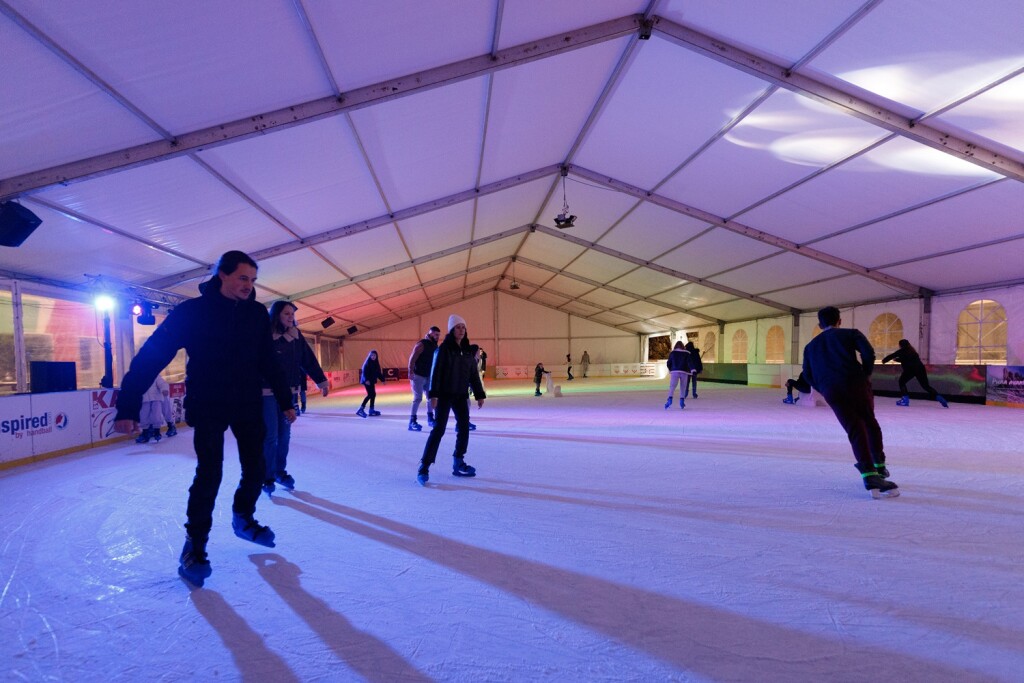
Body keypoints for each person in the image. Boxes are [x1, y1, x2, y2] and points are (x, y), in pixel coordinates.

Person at [114, 250, 296, 587]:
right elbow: (152, 355)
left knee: (257, 467)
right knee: (209, 474)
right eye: (243, 277)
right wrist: (127, 405)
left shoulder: (256, 314)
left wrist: (286, 400)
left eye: (253, 280)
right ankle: (194, 547)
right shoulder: (192, 312)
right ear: (221, 275)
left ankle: (243, 517)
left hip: (246, 402)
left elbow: (269, 361)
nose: (249, 285)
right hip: (209, 402)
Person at [802, 306, 899, 498]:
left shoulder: (810, 347)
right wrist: (866, 374)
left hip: (831, 390)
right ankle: (879, 467)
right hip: (855, 383)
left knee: (854, 429)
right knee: (869, 423)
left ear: (819, 325)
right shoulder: (850, 334)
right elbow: (869, 353)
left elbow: (807, 374)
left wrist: (824, 387)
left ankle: (869, 474)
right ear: (839, 321)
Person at [261, 300, 329, 496]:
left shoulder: (296, 336)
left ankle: (279, 471)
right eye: (286, 313)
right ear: (276, 315)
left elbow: (308, 360)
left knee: (284, 436)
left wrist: (321, 381)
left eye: (292, 314)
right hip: (266, 393)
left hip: (289, 392)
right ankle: (266, 476)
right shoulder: (265, 335)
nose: (291, 317)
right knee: (271, 437)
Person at [416, 314, 486, 486]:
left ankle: (458, 461)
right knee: (438, 429)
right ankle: (424, 466)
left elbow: (473, 374)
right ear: (451, 330)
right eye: (458, 327)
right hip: (445, 395)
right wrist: (434, 395)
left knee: (464, 427)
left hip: (461, 395)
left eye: (463, 327)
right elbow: (436, 373)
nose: (461, 330)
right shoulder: (443, 350)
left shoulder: (468, 351)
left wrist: (479, 394)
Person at [882, 339, 949, 408]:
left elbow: (892, 356)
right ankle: (940, 398)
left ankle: (905, 400)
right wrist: (897, 360)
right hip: (920, 369)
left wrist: (884, 360)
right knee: (925, 386)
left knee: (901, 382)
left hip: (910, 369)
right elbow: (907, 359)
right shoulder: (912, 351)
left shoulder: (901, 351)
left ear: (900, 345)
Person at [408, 326, 441, 431]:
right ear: (430, 333)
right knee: (417, 398)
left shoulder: (435, 346)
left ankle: (430, 418)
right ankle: (412, 421)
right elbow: (412, 358)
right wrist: (410, 371)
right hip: (418, 375)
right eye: (436, 334)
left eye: (439, 335)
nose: (437, 337)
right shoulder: (422, 344)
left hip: (429, 376)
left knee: (431, 397)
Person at [135, 375, 170, 443]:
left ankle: (157, 431)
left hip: (156, 398)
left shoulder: (154, 375)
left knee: (156, 415)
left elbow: (162, 383)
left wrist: (164, 389)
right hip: (144, 399)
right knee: (143, 416)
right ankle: (145, 433)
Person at [664, 341, 693, 409]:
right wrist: (692, 369)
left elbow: (668, 363)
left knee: (672, 386)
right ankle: (682, 401)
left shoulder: (672, 353)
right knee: (683, 386)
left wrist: (671, 369)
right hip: (684, 372)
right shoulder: (687, 353)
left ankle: (670, 399)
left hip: (675, 371)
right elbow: (690, 362)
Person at [356, 350, 383, 418]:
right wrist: (366, 380)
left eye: (374, 355)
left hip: (371, 381)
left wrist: (383, 380)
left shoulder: (376, 363)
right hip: (367, 381)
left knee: (373, 394)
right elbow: (364, 371)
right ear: (369, 356)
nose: (373, 357)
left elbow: (378, 372)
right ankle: (361, 409)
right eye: (371, 355)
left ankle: (371, 410)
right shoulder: (367, 362)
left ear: (376, 356)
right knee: (370, 394)